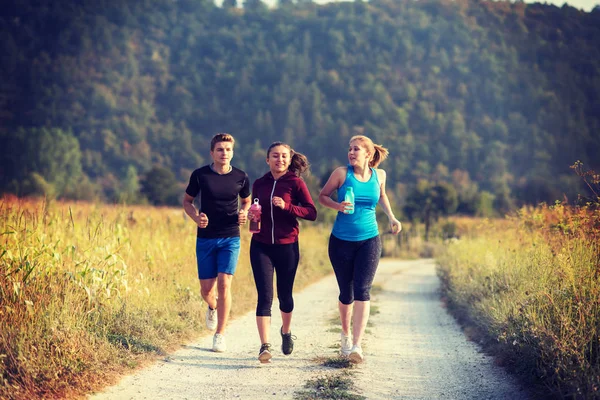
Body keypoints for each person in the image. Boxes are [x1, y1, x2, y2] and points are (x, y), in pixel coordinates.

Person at [318, 135, 402, 364]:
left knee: (363, 290)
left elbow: (382, 196)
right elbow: (322, 196)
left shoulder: (380, 175)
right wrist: (337, 205)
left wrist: (392, 218)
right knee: (347, 293)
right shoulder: (340, 174)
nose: (351, 152)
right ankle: (345, 334)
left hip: (370, 239)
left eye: (356, 149)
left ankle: (357, 345)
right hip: (341, 241)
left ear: (368, 153)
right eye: (349, 149)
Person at [248, 142, 317, 363]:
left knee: (285, 297)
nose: (280, 159)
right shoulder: (259, 183)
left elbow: (311, 212)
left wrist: (287, 207)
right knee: (264, 296)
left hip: (287, 245)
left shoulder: (295, 183)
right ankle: (264, 346)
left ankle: (286, 332)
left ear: (289, 159)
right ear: (267, 160)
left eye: (284, 156)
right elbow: (256, 209)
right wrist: (252, 215)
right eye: (275, 156)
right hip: (260, 245)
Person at [183, 133, 251, 352]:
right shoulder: (200, 175)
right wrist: (196, 217)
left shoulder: (241, 176)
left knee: (224, 284)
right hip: (205, 238)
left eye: (228, 150)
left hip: (231, 236)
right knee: (206, 290)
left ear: (233, 152)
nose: (225, 153)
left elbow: (247, 201)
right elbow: (187, 201)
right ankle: (212, 306)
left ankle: (220, 334)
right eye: (220, 150)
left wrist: (244, 212)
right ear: (212, 153)